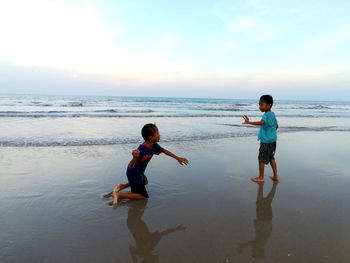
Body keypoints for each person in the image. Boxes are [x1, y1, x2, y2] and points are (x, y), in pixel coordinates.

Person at [104, 123, 189, 205]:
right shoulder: (142, 150)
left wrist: (177, 158)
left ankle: (122, 186)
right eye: (157, 133)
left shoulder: (154, 145)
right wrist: (134, 157)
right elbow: (132, 164)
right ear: (151, 137)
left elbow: (164, 151)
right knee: (144, 196)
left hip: (138, 172)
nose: (160, 135)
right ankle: (119, 195)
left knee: (145, 181)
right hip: (134, 173)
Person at [242, 95, 279, 182]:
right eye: (259, 104)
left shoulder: (266, 115)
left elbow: (261, 123)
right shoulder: (273, 114)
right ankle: (276, 176)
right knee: (271, 157)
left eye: (262, 104)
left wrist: (249, 122)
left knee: (261, 158)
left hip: (266, 141)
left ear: (269, 105)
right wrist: (271, 132)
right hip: (273, 140)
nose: (260, 107)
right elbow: (276, 126)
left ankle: (261, 177)